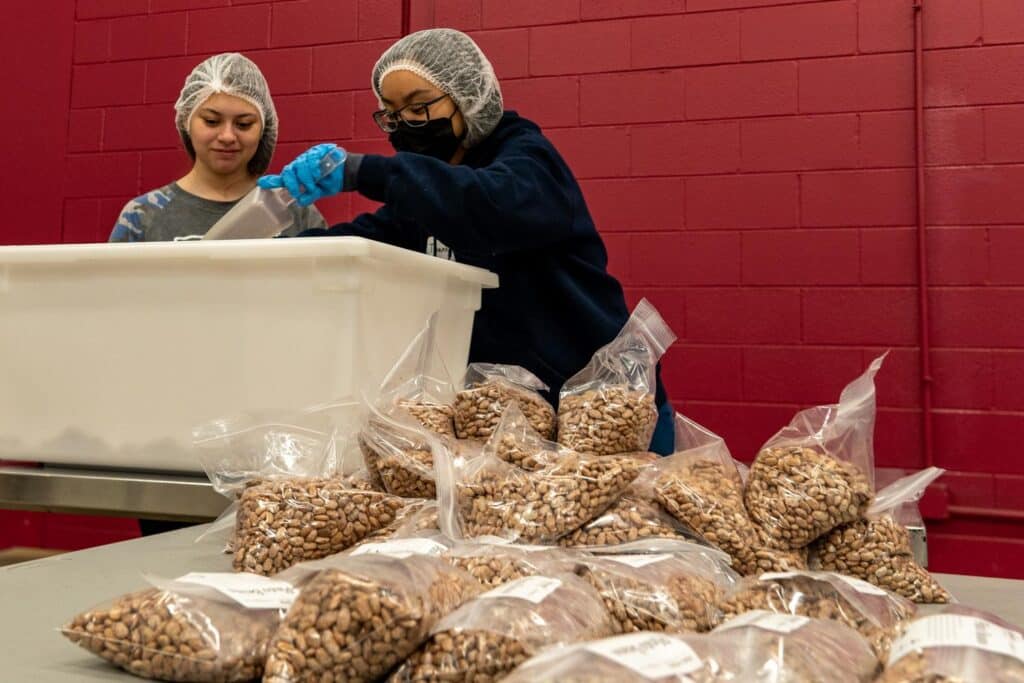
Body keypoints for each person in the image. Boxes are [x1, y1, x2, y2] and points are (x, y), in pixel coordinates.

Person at [260, 29, 675, 454]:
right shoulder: (427, 196)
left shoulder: (529, 164)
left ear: (468, 97)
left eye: (419, 107)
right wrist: (269, 251)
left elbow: (483, 204)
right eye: (392, 114)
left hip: (604, 408)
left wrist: (361, 172)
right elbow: (370, 239)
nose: (405, 125)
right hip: (515, 421)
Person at [109, 53, 326, 242]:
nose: (227, 136)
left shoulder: (296, 212)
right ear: (187, 121)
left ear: (263, 130)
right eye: (212, 121)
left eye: (244, 124)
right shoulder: (143, 216)